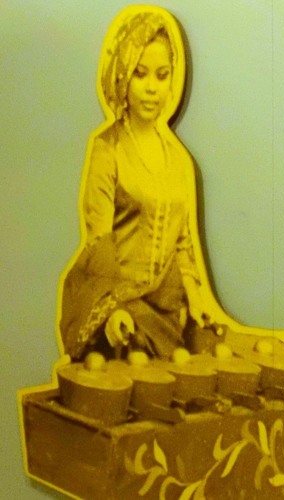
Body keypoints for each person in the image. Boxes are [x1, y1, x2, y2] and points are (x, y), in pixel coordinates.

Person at [60, 7, 211, 360]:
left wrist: (196, 296)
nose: (151, 88)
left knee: (205, 355)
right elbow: (99, 240)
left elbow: (182, 242)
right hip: (111, 303)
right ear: (122, 76)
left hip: (164, 304)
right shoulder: (107, 148)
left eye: (162, 75)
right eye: (140, 74)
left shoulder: (178, 160)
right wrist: (113, 311)